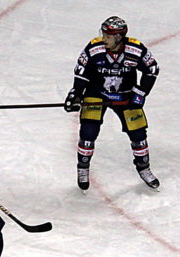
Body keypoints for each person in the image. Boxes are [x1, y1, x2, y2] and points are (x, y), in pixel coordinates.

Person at [64, 16, 160, 191]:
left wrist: (140, 92)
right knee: (88, 131)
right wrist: (76, 93)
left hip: (125, 96)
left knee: (138, 133)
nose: (104, 38)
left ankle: (144, 168)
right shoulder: (94, 48)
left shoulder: (136, 49)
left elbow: (152, 69)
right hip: (97, 94)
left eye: (108, 36)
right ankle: (83, 168)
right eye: (103, 34)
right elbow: (82, 73)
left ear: (119, 37)